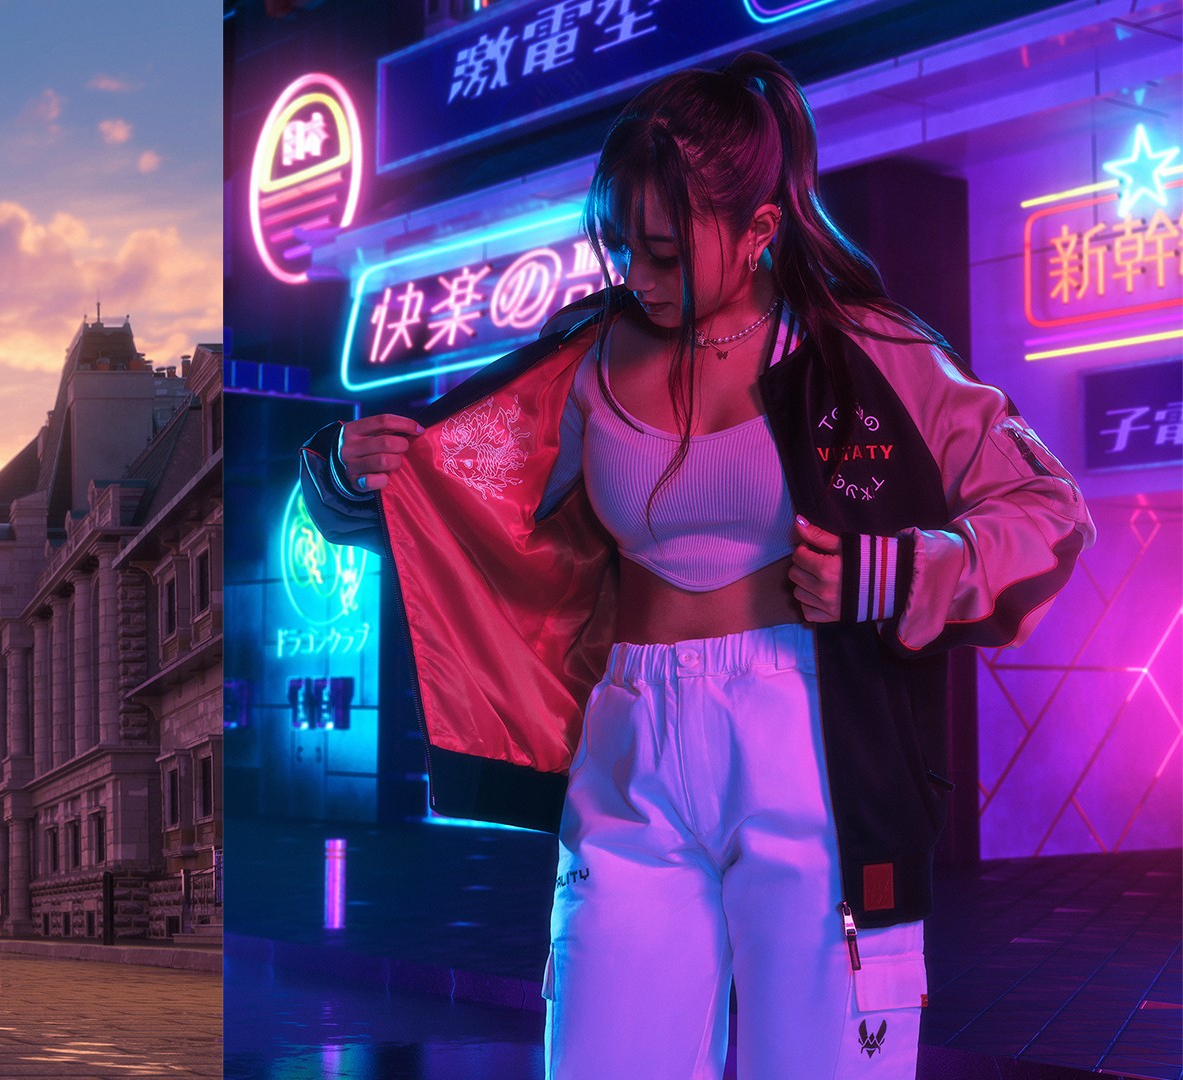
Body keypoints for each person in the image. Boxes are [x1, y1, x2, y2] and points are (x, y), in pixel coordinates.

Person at [300, 52, 1092, 1078]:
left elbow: (1046, 511)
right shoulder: (581, 358)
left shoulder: (871, 352)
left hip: (818, 746)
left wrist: (902, 571)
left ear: (761, 229)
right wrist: (351, 475)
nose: (638, 275)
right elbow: (447, 502)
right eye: (625, 246)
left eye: (667, 253)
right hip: (632, 744)